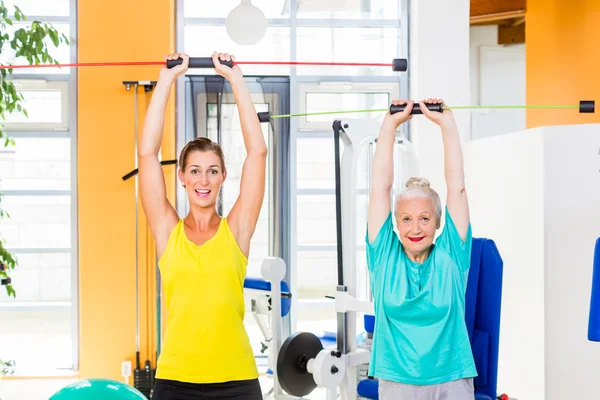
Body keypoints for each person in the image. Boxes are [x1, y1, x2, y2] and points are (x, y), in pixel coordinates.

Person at [138, 51, 267, 399]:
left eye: (212, 170)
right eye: (194, 170)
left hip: (237, 380)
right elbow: (147, 154)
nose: (203, 179)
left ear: (224, 176)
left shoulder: (237, 229)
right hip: (175, 380)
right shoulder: (168, 231)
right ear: (181, 177)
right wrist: (167, 80)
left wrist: (236, 79)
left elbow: (257, 152)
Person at [366, 99, 476, 399]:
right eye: (406, 220)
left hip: (452, 377)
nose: (415, 229)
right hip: (397, 380)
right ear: (397, 224)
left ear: (438, 222)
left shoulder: (452, 254)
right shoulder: (384, 256)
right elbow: (380, 189)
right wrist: (390, 125)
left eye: (424, 219)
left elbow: (457, 187)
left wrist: (447, 125)